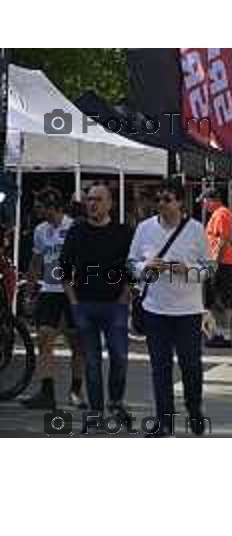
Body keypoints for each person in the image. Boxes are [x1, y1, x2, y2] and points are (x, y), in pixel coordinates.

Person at [128, 179, 210, 436]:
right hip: (156, 309)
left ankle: (194, 408)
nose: (161, 204)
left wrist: (186, 271)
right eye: (158, 199)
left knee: (191, 366)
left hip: (188, 311)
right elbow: (131, 265)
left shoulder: (196, 230)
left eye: (167, 199)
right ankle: (164, 420)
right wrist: (146, 267)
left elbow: (208, 269)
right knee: (160, 367)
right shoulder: (144, 229)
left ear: (180, 202)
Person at [60, 184, 132, 421]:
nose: (92, 204)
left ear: (110, 203)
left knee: (119, 357)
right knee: (91, 361)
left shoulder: (123, 232)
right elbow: (64, 271)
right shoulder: (76, 231)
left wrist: (124, 298)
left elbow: (132, 269)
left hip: (115, 305)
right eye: (89, 199)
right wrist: (74, 303)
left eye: (98, 199)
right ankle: (97, 409)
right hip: (85, 305)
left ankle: (116, 401)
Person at [20, 190, 85, 410]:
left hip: (72, 290)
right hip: (49, 290)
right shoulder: (41, 230)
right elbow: (36, 262)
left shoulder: (74, 227)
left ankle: (76, 391)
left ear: (52, 206)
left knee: (77, 343)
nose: (37, 211)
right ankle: (46, 392)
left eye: (40, 207)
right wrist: (29, 293)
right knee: (45, 338)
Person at [203, 190, 232, 349]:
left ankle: (224, 335)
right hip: (223, 262)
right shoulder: (221, 213)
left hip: (223, 263)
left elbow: (223, 240)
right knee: (217, 300)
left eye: (204, 201)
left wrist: (214, 264)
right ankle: (219, 333)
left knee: (222, 300)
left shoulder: (221, 214)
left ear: (212, 200)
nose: (203, 205)